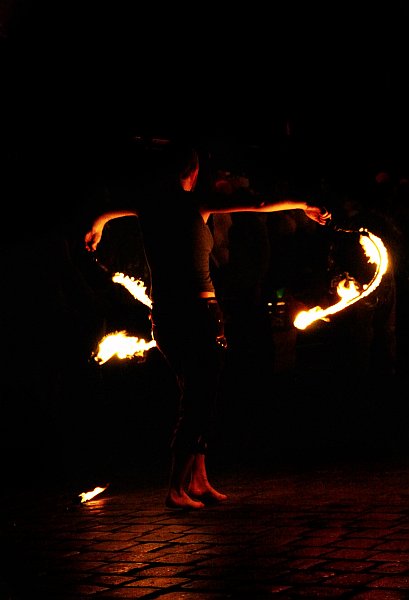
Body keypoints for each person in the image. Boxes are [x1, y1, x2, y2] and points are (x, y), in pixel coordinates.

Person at [84, 139, 331, 510]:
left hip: (166, 316)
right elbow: (258, 205)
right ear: (193, 173)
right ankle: (175, 489)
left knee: (196, 392)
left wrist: (97, 227)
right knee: (199, 399)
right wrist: (304, 205)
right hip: (198, 315)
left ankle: (198, 481)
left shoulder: (147, 205)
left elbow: (105, 210)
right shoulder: (193, 204)